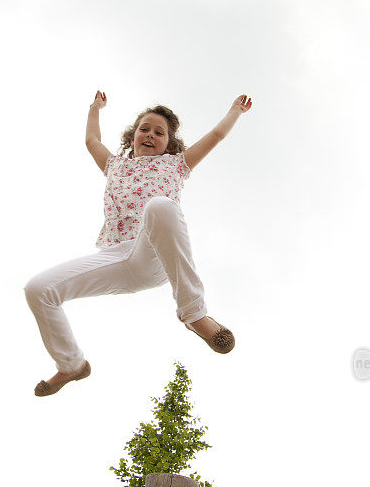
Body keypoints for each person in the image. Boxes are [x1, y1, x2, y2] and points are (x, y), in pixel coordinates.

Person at [25, 90, 253, 397]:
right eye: (144, 129)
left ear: (169, 144)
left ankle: (194, 312)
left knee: (160, 206)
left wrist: (235, 111)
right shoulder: (114, 165)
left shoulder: (177, 165)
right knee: (38, 289)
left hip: (153, 253)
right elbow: (92, 141)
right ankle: (71, 364)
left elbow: (216, 135)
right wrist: (95, 108)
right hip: (115, 258)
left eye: (159, 133)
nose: (150, 135)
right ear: (132, 136)